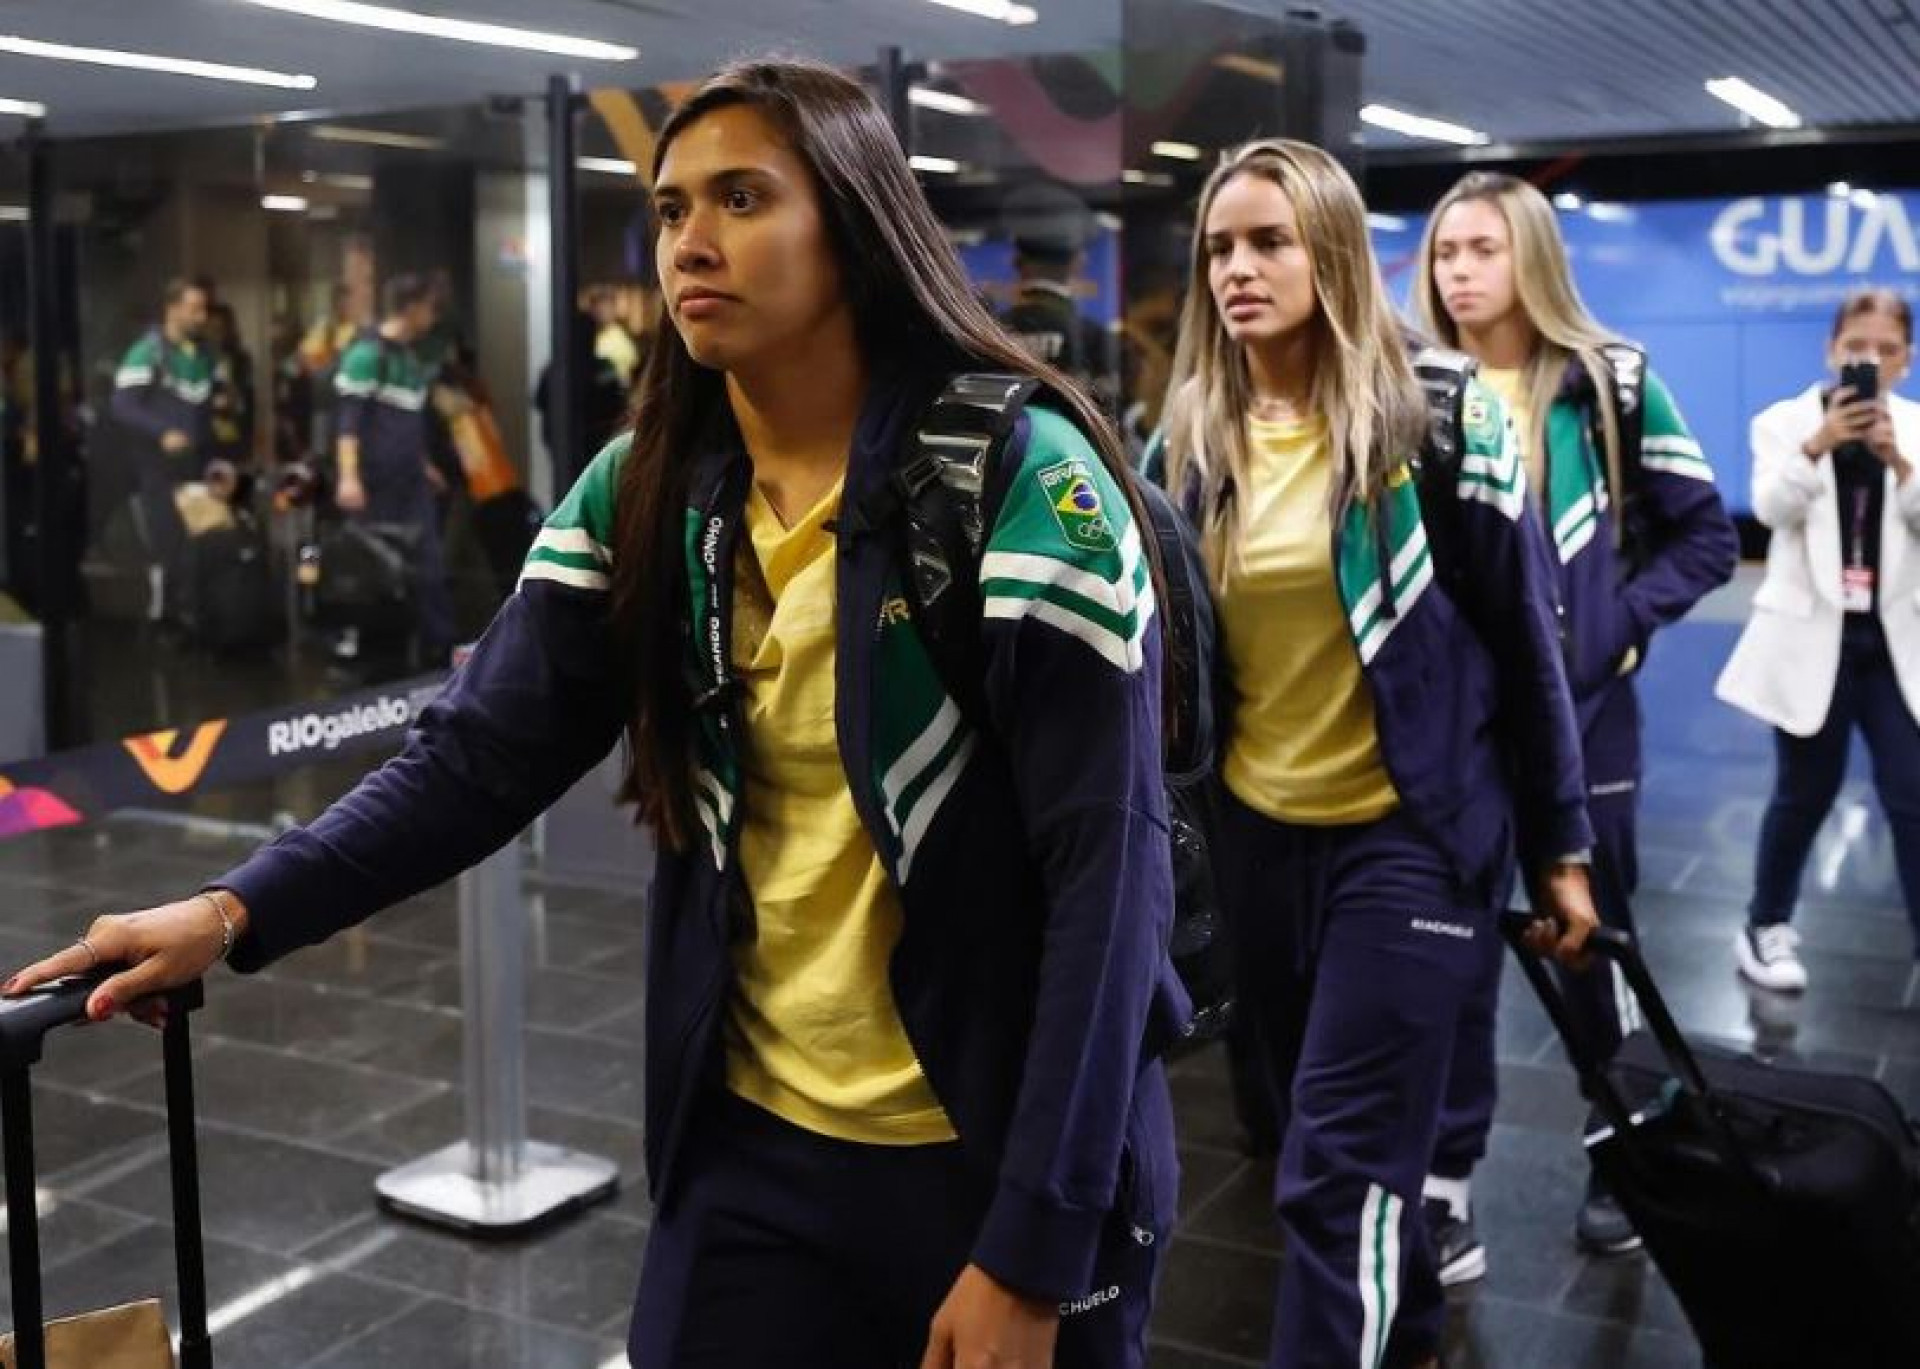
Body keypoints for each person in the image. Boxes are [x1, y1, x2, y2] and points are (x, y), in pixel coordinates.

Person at [5, 58, 1186, 1369]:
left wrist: (1033, 1243)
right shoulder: (650, 487)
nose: (693, 241)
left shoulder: (1019, 476)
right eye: (672, 207)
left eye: (743, 198)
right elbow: (476, 757)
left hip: (989, 1148)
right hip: (750, 1145)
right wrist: (233, 910)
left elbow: (1109, 871)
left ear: (852, 222)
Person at [1150, 138, 1597, 1369]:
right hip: (1256, 841)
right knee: (1316, 1139)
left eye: (1271, 241)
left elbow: (1527, 649)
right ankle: (1403, 1337)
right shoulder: (1185, 443)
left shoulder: (1440, 422)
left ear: (1332, 252)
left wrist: (1563, 846)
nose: (1240, 268)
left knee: (1337, 1177)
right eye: (1221, 247)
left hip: (1411, 842)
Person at [1414, 171, 1738, 1271]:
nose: (1460, 272)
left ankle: (1623, 1155)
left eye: (1484, 250)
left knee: (1592, 945)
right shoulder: (1415, 387)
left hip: (1587, 721)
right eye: (1448, 250)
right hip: (1458, 733)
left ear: (1533, 259)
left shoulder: (1611, 381)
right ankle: (1446, 1190)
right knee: (1454, 954)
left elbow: (1703, 534)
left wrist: (1623, 626)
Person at [1716, 288, 1920, 991]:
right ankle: (1764, 926)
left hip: (1896, 643)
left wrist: (1900, 464)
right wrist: (1817, 446)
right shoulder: (1785, 422)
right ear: (1833, 349)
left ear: (1907, 359)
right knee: (1805, 791)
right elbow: (1772, 509)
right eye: (1856, 346)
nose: (1869, 359)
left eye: (1886, 349)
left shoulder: (1918, 430)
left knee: (1913, 792)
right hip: (1813, 637)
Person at [331, 273, 455, 662]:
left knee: (428, 561)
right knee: (373, 569)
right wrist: (349, 477)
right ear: (412, 308)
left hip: (410, 480)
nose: (432, 318)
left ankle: (439, 646)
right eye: (429, 308)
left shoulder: (408, 358)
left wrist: (424, 465)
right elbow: (349, 424)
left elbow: (406, 423)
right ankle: (366, 647)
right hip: (375, 483)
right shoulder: (367, 355)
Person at [108, 276, 216, 615]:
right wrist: (162, 432)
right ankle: (166, 621)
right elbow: (122, 405)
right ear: (172, 309)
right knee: (168, 546)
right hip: (159, 469)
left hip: (197, 467)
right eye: (194, 309)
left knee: (201, 540)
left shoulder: (202, 354)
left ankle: (197, 616)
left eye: (204, 310)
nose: (202, 317)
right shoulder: (147, 352)